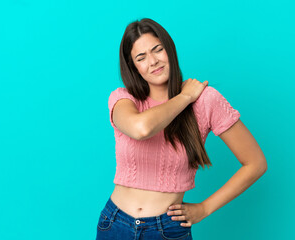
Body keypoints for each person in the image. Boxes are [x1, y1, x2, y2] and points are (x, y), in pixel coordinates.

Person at [96, 18, 267, 240]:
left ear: (170, 49)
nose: (153, 61)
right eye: (141, 57)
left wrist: (204, 208)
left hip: (166, 230)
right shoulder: (123, 99)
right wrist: (185, 97)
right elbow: (141, 129)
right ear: (134, 67)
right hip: (115, 224)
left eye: (158, 50)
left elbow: (256, 163)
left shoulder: (206, 101)